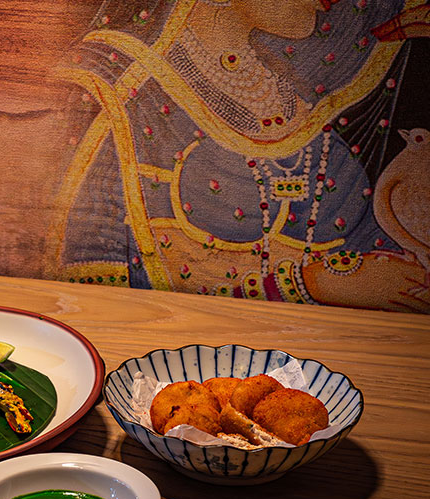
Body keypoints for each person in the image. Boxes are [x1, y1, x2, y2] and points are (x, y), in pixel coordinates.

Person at [45, 0, 428, 312]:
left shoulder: (298, 101)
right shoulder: (119, 85)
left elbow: (374, 245)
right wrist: (304, 285)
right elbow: (93, 290)